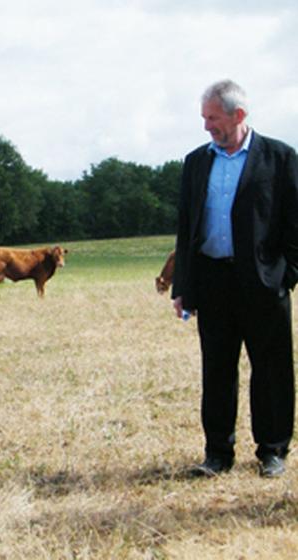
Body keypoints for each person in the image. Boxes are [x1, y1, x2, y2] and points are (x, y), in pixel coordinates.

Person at [172, 79, 298, 478]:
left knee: (272, 368)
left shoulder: (279, 158)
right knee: (217, 369)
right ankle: (217, 453)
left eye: (213, 118)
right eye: (204, 118)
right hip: (213, 281)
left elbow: (295, 224)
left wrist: (285, 275)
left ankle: (273, 449)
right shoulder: (196, 162)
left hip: (262, 283)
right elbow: (186, 228)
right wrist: (183, 287)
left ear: (238, 115)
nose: (207, 126)